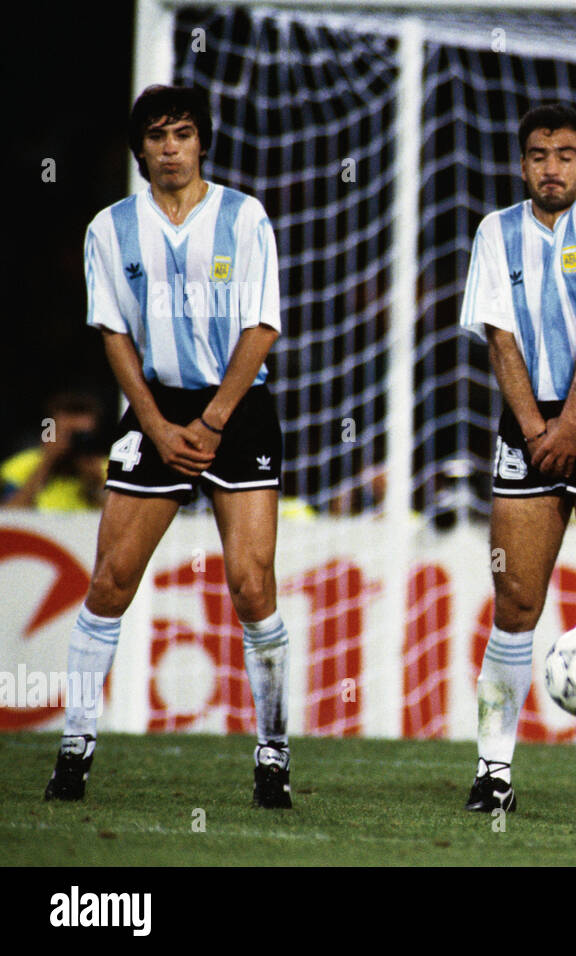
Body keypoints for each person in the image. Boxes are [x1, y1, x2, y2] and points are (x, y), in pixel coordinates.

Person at [43, 85, 292, 808]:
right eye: (157, 136)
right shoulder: (109, 230)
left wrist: (212, 422)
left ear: (202, 140)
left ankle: (272, 753)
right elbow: (113, 333)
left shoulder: (244, 218)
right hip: (155, 410)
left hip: (237, 410)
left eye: (183, 133)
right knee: (110, 580)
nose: (171, 147)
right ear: (140, 148)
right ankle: (75, 746)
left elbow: (262, 328)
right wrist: (153, 424)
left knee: (252, 587)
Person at [459, 104, 576, 817]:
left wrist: (572, 421)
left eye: (566, 155)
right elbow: (499, 335)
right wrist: (538, 426)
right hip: (528, 427)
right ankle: (493, 772)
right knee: (516, 604)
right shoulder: (495, 231)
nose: (551, 167)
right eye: (538, 155)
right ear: (521, 165)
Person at [1, 392, 107, 511]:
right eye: (66, 434)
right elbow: (9, 518)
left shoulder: (109, 470)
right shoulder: (18, 468)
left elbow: (117, 522)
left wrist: (96, 484)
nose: (73, 443)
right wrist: (46, 464)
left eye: (81, 436)